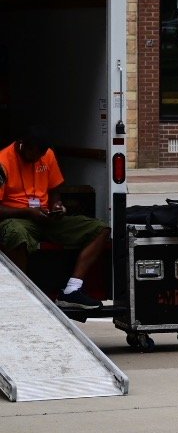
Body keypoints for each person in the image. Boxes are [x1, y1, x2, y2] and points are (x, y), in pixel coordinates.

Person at [0, 129, 111, 312]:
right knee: (15, 232)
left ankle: (72, 290)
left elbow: (55, 189)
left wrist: (57, 206)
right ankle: (23, 292)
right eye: (33, 154)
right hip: (18, 217)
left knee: (100, 229)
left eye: (41, 155)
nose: (38, 159)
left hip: (44, 216)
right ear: (22, 145)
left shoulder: (47, 154)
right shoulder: (3, 162)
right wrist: (28, 212)